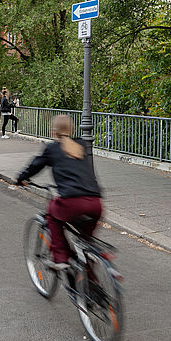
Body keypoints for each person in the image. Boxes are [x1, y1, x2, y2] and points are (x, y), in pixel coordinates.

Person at [17, 115, 102, 270]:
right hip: (95, 203)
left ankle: (61, 258)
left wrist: (21, 178)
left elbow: (35, 166)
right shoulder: (82, 145)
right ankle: (91, 284)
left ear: (53, 131)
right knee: (85, 242)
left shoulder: (53, 148)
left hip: (72, 202)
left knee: (52, 216)